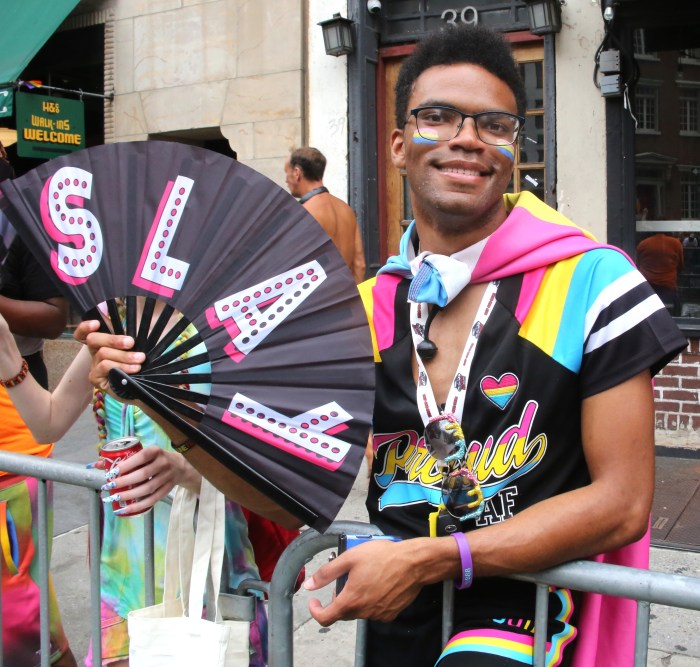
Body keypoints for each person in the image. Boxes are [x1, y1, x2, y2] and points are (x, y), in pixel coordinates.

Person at [79, 24, 687, 667]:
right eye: (438, 116)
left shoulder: (596, 283)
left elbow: (623, 503)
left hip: (527, 612)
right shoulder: (367, 310)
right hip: (395, 614)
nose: (466, 138)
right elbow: (288, 491)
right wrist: (179, 420)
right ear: (398, 145)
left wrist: (431, 559)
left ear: (513, 149)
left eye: (494, 125)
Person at [0, 302, 268, 667]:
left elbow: (265, 462)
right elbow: (49, 421)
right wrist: (8, 355)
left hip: (205, 570)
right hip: (121, 576)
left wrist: (189, 470)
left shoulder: (224, 327)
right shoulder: (114, 324)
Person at [0, 143, 76, 667]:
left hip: (14, 417)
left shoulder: (21, 225)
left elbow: (55, 317)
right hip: (23, 397)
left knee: (18, 598)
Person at [285, 147, 366, 282]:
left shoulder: (302, 214)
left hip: (317, 299)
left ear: (297, 172)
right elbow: (360, 265)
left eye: (286, 173)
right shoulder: (347, 210)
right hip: (345, 295)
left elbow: (293, 267)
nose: (286, 180)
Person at [636, 232, 684, 315]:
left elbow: (637, 265)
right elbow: (680, 265)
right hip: (668, 287)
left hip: (647, 287)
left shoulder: (643, 244)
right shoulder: (675, 243)